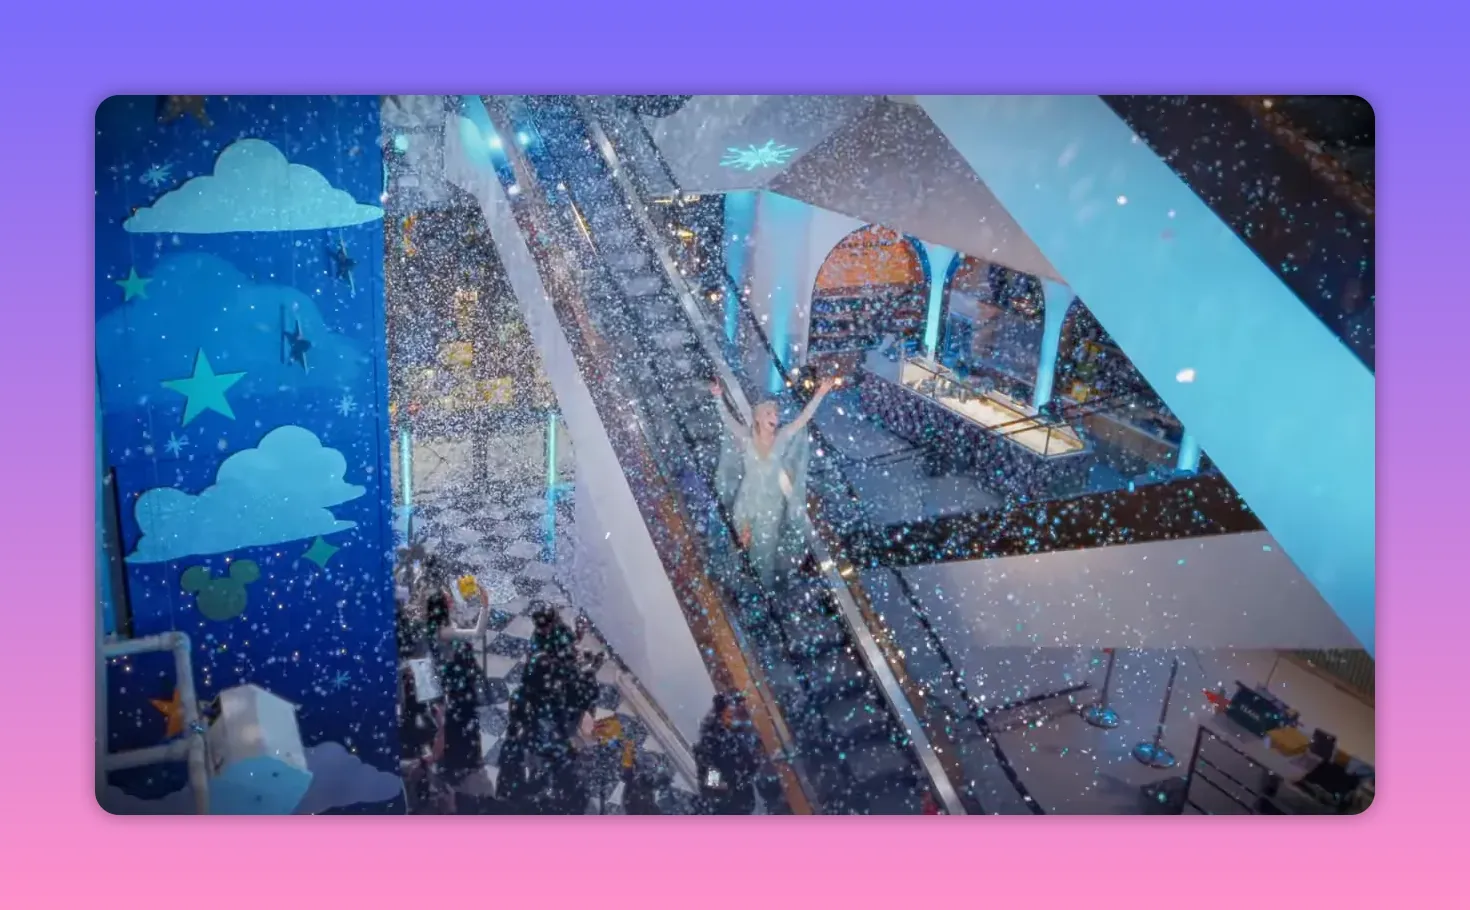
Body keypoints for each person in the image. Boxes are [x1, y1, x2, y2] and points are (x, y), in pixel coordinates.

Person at [710, 376, 838, 589]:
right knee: (740, 545)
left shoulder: (783, 437)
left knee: (764, 555)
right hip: (747, 501)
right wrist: (718, 397)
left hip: (771, 506)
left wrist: (820, 393)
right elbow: (728, 421)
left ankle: (762, 594)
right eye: (768, 413)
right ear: (758, 418)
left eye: (776, 413)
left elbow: (803, 419)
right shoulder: (746, 437)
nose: (774, 417)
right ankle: (734, 589)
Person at [498, 605, 601, 810]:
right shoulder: (544, 692)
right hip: (544, 743)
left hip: (541, 739)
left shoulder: (559, 636)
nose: (542, 629)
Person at [422, 580, 491, 812]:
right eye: (447, 598)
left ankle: (450, 761)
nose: (451, 599)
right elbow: (477, 632)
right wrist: (485, 606)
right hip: (455, 685)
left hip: (448, 681)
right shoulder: (445, 631)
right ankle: (459, 769)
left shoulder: (435, 626)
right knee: (453, 725)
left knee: (448, 724)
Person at [693, 692, 762, 815]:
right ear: (719, 716)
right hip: (728, 808)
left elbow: (751, 765)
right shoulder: (710, 745)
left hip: (743, 802)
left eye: (738, 717)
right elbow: (712, 781)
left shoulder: (739, 737)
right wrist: (728, 789)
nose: (735, 721)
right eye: (730, 717)